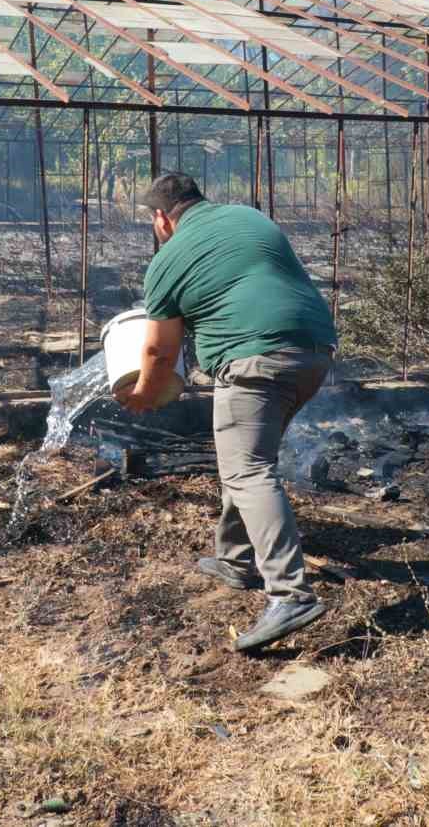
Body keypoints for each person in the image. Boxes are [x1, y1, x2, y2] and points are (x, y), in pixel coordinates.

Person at [116, 172, 337, 651]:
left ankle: (289, 594)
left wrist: (144, 395)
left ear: (161, 218)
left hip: (254, 360)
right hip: (314, 352)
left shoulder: (168, 259)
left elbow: (158, 353)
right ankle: (236, 560)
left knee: (248, 470)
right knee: (245, 462)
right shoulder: (249, 218)